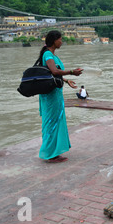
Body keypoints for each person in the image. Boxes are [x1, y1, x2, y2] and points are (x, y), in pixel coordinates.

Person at [38, 30, 83, 163]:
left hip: (55, 93)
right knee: (51, 122)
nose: (62, 42)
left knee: (56, 121)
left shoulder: (52, 55)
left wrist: (66, 80)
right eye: (60, 39)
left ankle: (54, 152)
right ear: (54, 40)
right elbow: (54, 71)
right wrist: (72, 72)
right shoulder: (48, 55)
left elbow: (53, 74)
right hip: (50, 95)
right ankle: (49, 154)